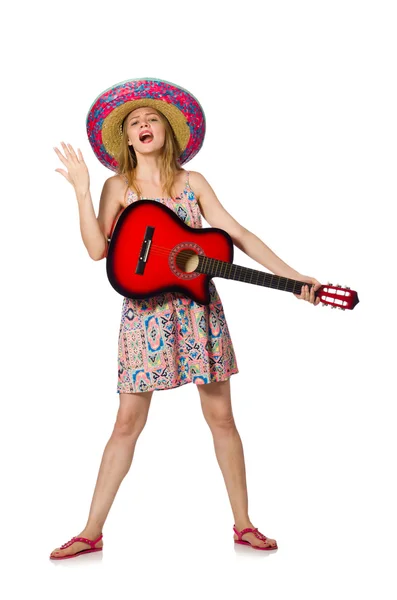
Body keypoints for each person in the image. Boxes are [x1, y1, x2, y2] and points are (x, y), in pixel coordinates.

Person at [50, 78, 321, 560]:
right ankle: (91, 531)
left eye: (151, 118)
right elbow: (97, 251)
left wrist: (295, 276)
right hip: (144, 318)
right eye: (134, 122)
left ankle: (244, 525)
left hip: (198, 312)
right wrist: (82, 189)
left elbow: (237, 233)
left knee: (222, 418)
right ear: (126, 141)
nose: (143, 124)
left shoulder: (193, 183)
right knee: (126, 424)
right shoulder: (117, 186)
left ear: (167, 132)